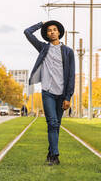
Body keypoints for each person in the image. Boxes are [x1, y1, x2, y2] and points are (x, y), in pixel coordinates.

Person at [24, 21, 75, 166]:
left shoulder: (68, 52)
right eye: (49, 30)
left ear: (59, 33)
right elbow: (27, 32)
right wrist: (41, 24)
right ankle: (55, 156)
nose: (52, 32)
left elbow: (71, 75)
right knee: (52, 123)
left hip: (62, 93)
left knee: (56, 125)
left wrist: (68, 97)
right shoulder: (42, 48)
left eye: (54, 30)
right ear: (46, 35)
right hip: (47, 92)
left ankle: (50, 152)